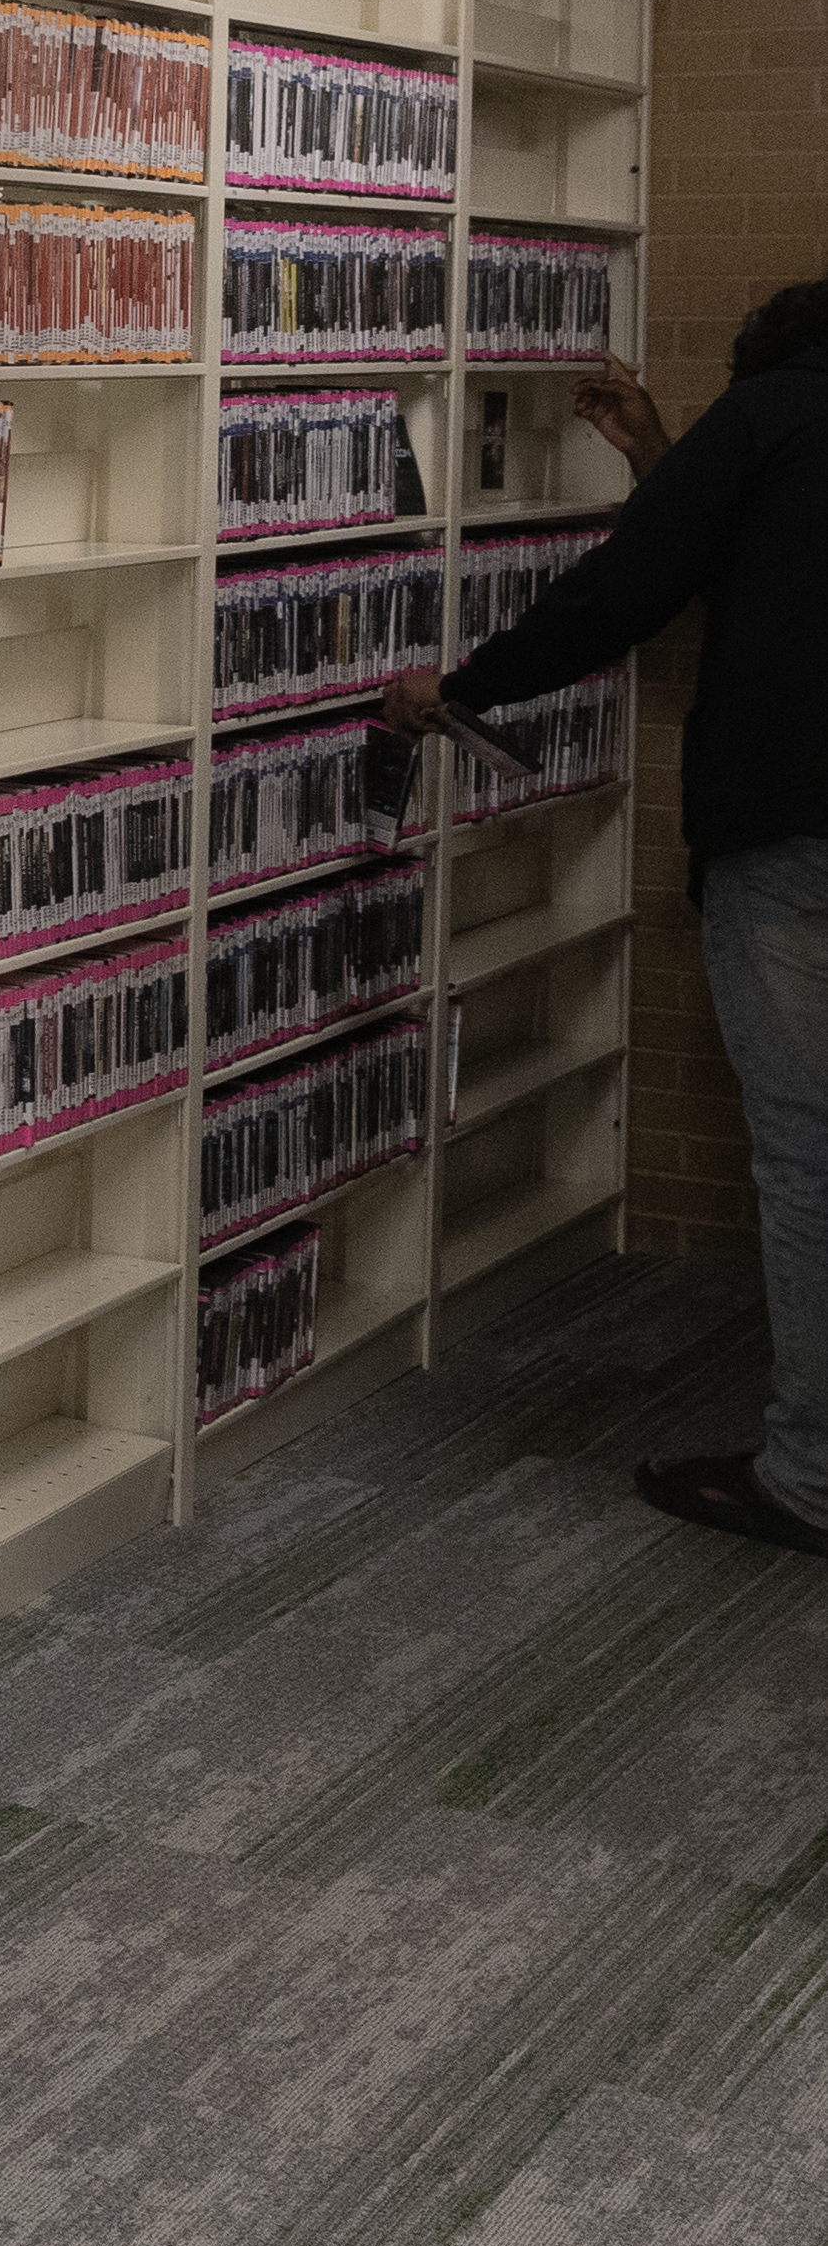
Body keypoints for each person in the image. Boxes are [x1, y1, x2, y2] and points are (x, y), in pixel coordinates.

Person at [384, 278, 828, 1557]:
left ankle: (808, 1474)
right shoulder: (767, 438)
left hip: (794, 834)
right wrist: (659, 454)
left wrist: (459, 685)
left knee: (805, 1158)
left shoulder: (767, 418)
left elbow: (625, 592)